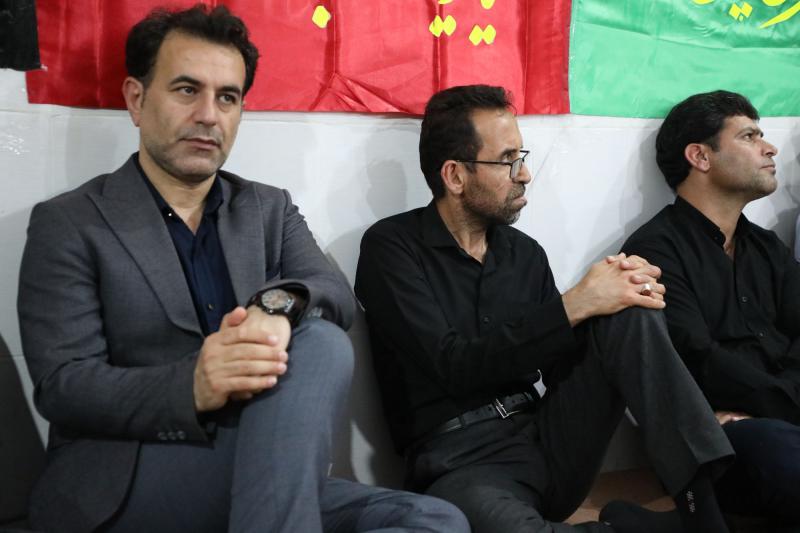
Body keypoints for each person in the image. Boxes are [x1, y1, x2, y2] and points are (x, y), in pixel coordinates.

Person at [16, 6, 468, 533]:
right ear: (136, 99)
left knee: (436, 520)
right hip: (126, 474)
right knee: (321, 344)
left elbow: (332, 292)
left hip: (260, 454)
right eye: (187, 90)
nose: (209, 115)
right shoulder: (71, 222)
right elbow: (64, 386)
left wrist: (273, 310)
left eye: (227, 97)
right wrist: (192, 386)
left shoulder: (267, 208)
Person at [355, 84, 736, 533]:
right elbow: (451, 364)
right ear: (455, 176)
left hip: (546, 440)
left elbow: (560, 366)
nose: (524, 174)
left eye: (522, 156)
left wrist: (611, 295)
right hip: (461, 462)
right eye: (507, 160)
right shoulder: (392, 248)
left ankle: (702, 510)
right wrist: (573, 305)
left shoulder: (524, 253)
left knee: (627, 307)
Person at [622, 90, 800, 528]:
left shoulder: (767, 248)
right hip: (721, 440)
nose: (770, 148)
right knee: (774, 446)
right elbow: (698, 359)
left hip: (780, 417)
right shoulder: (654, 250)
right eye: (749, 136)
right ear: (700, 156)